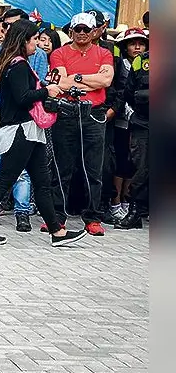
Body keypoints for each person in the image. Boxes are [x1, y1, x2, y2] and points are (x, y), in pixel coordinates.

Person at [0, 20, 88, 247]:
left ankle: (57, 231)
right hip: (20, 130)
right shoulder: (18, 65)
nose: (38, 44)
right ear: (24, 40)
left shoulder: (14, 63)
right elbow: (22, 97)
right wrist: (47, 91)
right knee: (5, 179)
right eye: (34, 39)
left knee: (42, 181)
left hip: (30, 130)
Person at [0, 8, 49, 230]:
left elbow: (38, 84)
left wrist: (47, 91)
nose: (6, 31)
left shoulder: (37, 55)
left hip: (25, 118)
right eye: (5, 26)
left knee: (25, 172)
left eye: (13, 26)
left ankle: (23, 212)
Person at [46, 12, 115, 236]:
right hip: (66, 112)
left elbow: (106, 80)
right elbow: (61, 83)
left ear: (95, 31)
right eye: (78, 29)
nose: (82, 33)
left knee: (94, 168)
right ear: (71, 31)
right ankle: (57, 217)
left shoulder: (104, 53)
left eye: (87, 29)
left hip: (94, 114)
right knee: (61, 167)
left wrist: (75, 77)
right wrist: (90, 80)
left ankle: (92, 217)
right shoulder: (59, 53)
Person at [103, 28, 148, 224]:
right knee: (135, 164)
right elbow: (127, 92)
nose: (137, 47)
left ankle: (136, 207)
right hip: (137, 121)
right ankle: (128, 208)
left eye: (141, 43)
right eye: (132, 43)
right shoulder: (137, 62)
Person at [115, 49, 148, 229]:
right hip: (143, 123)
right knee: (141, 168)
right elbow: (129, 92)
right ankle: (135, 212)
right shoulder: (141, 61)